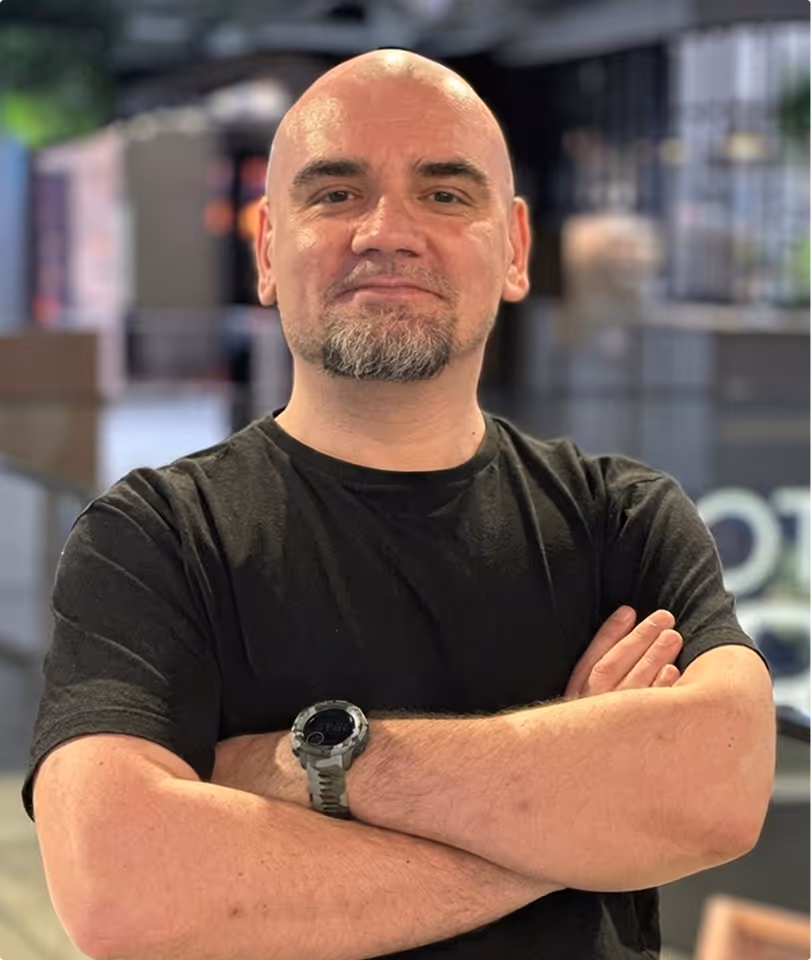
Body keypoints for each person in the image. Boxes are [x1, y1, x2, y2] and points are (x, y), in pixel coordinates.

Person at [24, 49, 775, 960]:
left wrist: (306, 768)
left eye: (446, 195)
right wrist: (579, 828)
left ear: (515, 249)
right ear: (268, 249)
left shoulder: (624, 519)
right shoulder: (152, 539)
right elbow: (122, 888)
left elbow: (720, 788)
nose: (386, 231)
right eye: (335, 194)